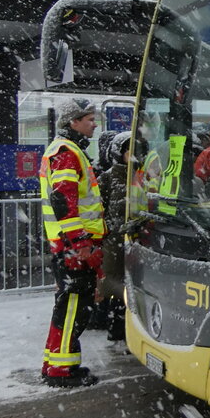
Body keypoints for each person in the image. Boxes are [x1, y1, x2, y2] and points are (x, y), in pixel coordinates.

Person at [39, 98, 105, 387]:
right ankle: (60, 371)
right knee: (73, 308)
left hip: (66, 244)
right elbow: (63, 201)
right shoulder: (67, 152)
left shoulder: (65, 149)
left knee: (68, 307)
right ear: (73, 121)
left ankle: (56, 363)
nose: (95, 124)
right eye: (89, 119)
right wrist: (81, 243)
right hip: (73, 247)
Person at [97, 131, 133, 342]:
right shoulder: (108, 178)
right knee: (116, 285)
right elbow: (98, 209)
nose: (133, 155)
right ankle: (116, 328)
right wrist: (108, 232)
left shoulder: (141, 176)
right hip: (115, 241)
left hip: (136, 240)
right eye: (129, 151)